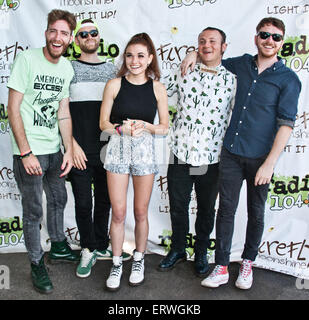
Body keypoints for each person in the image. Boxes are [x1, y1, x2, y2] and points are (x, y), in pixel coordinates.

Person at [181, 17, 301, 289]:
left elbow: (286, 124)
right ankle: (221, 266)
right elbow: (212, 58)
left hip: (262, 158)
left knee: (256, 212)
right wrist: (192, 52)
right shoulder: (241, 64)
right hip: (232, 153)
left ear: (282, 42)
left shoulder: (288, 79)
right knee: (226, 210)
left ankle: (247, 263)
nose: (269, 40)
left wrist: (270, 163)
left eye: (275, 37)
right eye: (264, 35)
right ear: (256, 37)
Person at [7, 9, 79, 294]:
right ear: (46, 32)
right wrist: (26, 153)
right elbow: (13, 108)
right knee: (33, 209)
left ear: (70, 38)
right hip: (30, 152)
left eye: (64, 33)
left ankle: (59, 245)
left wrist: (69, 148)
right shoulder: (27, 60)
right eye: (53, 31)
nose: (57, 37)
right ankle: (36, 262)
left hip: (53, 150)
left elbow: (63, 113)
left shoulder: (66, 68)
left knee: (59, 199)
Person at [157, 28, 236, 277]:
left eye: (213, 41)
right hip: (180, 153)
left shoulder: (232, 81)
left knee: (205, 209)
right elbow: (158, 92)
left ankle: (201, 252)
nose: (206, 45)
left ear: (224, 47)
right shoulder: (184, 71)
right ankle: (178, 249)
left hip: (212, 158)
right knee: (178, 206)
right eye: (201, 41)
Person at [100, 33, 169, 291]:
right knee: (118, 212)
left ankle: (138, 258)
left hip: (145, 151)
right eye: (129, 55)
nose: (134, 60)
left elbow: (164, 127)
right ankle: (117, 262)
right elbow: (103, 123)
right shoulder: (114, 85)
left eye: (140, 55)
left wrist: (147, 126)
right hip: (117, 149)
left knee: (141, 211)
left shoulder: (157, 88)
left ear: (150, 58)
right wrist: (120, 130)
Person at [68, 19, 131, 279]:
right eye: (83, 34)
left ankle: (101, 245)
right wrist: (71, 145)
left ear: (98, 37)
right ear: (76, 40)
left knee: (105, 201)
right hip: (79, 151)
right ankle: (87, 248)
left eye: (93, 33)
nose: (89, 37)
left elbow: (144, 77)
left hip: (108, 150)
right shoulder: (67, 69)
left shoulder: (112, 70)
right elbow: (61, 111)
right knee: (83, 203)